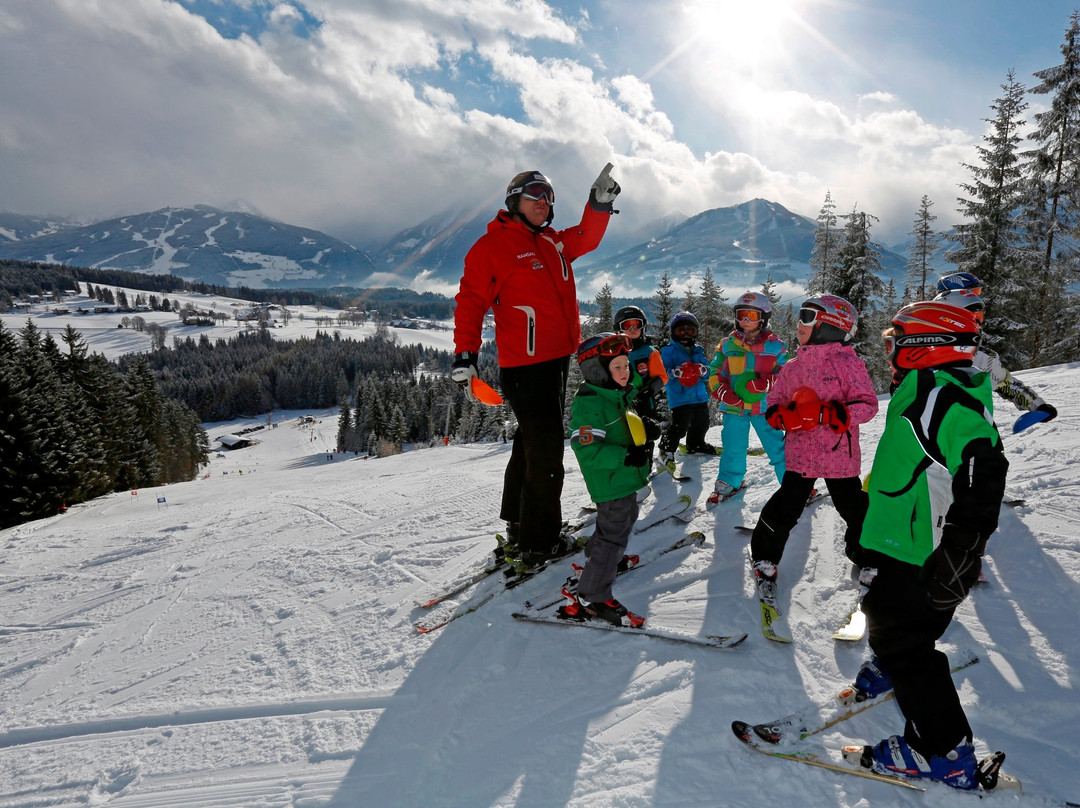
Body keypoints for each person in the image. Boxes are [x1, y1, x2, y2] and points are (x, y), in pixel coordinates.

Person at [854, 299, 1009, 790]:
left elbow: (985, 463)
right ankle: (891, 663)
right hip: (904, 533)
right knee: (884, 609)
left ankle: (941, 752)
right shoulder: (927, 387)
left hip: (925, 548)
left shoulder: (940, 396)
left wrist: (963, 549)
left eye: (896, 340)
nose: (890, 349)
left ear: (923, 347)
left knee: (905, 639)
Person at [451, 166, 621, 570]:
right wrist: (464, 355)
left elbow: (587, 236)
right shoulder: (491, 247)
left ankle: (518, 521)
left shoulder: (554, 242)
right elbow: (471, 301)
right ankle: (540, 543)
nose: (542, 204)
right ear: (514, 201)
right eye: (533, 197)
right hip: (525, 367)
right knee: (545, 452)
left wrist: (598, 205)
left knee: (529, 443)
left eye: (547, 198)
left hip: (557, 358)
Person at [749, 294, 878, 606]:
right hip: (801, 453)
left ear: (830, 325)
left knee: (854, 508)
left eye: (807, 316)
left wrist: (835, 414)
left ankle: (869, 557)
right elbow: (774, 401)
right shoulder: (793, 367)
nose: (799, 323)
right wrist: (780, 416)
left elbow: (868, 404)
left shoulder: (849, 363)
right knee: (786, 506)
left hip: (838, 455)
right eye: (800, 316)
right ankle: (765, 556)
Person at [557, 332, 657, 628]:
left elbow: (625, 426)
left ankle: (599, 562)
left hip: (623, 480)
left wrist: (645, 429)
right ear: (598, 372)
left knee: (622, 522)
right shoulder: (591, 404)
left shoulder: (616, 394)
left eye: (627, 365)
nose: (625, 372)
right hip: (610, 482)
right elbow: (587, 451)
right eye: (618, 367)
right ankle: (593, 594)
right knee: (614, 533)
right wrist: (626, 456)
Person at [933, 272, 1057, 422]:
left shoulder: (977, 353)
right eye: (972, 293)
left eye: (978, 293)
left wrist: (1038, 406)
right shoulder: (973, 352)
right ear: (953, 298)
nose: (977, 299)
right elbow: (1005, 383)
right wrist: (1037, 405)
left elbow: (1004, 382)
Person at [705, 292, 788, 505]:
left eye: (751, 315)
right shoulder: (727, 345)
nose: (745, 321)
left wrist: (768, 382)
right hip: (735, 407)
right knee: (733, 445)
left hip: (764, 407)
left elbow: (787, 374)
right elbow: (715, 373)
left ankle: (792, 483)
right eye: (741, 315)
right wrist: (723, 392)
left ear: (763, 318)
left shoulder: (775, 347)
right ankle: (730, 480)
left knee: (777, 445)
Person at [615, 305, 669, 469]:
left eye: (635, 324)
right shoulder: (616, 351)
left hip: (645, 403)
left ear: (643, 326)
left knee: (646, 433)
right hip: (623, 403)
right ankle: (628, 467)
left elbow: (662, 376)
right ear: (618, 329)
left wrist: (649, 389)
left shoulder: (649, 352)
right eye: (626, 325)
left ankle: (646, 465)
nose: (632, 329)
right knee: (625, 434)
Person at [658, 312, 713, 471]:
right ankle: (666, 449)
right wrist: (675, 372)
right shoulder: (669, 351)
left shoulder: (698, 351)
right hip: (680, 397)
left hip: (699, 395)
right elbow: (663, 372)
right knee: (680, 426)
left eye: (690, 331)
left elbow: (708, 372)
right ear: (673, 332)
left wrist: (703, 370)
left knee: (702, 423)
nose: (686, 334)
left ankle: (696, 444)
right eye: (681, 331)